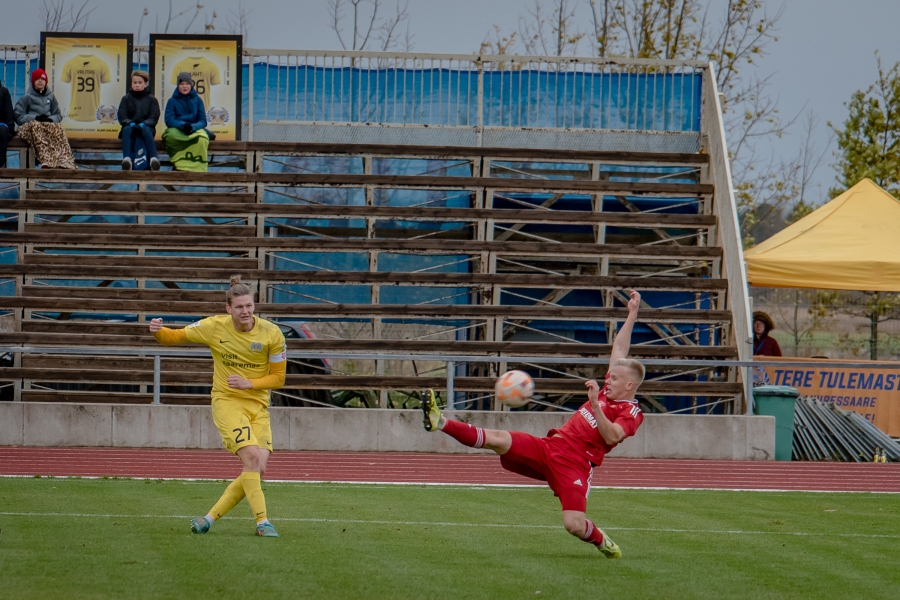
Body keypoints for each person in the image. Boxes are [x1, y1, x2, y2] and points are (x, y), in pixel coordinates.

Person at [421, 289, 645, 558]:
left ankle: (601, 541)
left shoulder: (631, 412)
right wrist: (632, 313)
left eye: (615, 379)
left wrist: (595, 404)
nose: (608, 379)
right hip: (550, 446)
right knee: (499, 439)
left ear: (629, 385)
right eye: (610, 377)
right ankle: (440, 421)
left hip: (575, 464)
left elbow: (612, 437)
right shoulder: (610, 388)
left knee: (573, 525)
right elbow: (620, 348)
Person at [149, 275, 287, 537]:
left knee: (258, 468)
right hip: (227, 401)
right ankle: (262, 522)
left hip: (258, 405)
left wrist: (250, 383)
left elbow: (279, 378)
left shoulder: (272, 333)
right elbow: (175, 337)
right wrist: (158, 332)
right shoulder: (215, 327)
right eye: (239, 307)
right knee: (252, 457)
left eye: (249, 306)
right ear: (228, 309)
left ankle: (208, 520)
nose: (245, 311)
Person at [13, 68, 76, 169]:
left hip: (46, 126)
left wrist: (50, 119)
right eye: (37, 79)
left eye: (42, 79)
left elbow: (58, 115)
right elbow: (17, 115)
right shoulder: (27, 98)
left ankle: (66, 161)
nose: (40, 81)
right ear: (33, 82)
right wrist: (35, 118)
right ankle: (45, 160)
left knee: (58, 128)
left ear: (46, 81)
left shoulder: (50, 97)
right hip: (29, 128)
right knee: (36, 126)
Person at [162, 71, 209, 172]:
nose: (185, 86)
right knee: (170, 136)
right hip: (178, 129)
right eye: (182, 84)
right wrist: (183, 125)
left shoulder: (198, 100)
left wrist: (193, 127)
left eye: (187, 84)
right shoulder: (172, 101)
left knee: (202, 139)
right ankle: (179, 165)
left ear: (191, 85)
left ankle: (197, 169)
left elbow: (203, 121)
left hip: (194, 129)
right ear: (178, 86)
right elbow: (169, 120)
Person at [117, 70, 160, 171]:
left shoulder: (152, 99)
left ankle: (154, 159)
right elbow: (122, 116)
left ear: (145, 84)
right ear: (131, 84)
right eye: (134, 83)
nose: (137, 85)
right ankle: (127, 159)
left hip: (146, 128)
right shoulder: (126, 99)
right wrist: (130, 123)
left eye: (140, 83)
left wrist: (144, 124)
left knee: (146, 130)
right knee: (126, 130)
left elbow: (154, 117)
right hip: (131, 128)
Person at [0, 79, 14, 169]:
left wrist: (10, 129)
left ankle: (1, 164)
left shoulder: (3, 91)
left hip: (1, 125)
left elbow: (9, 112)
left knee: (1, 131)